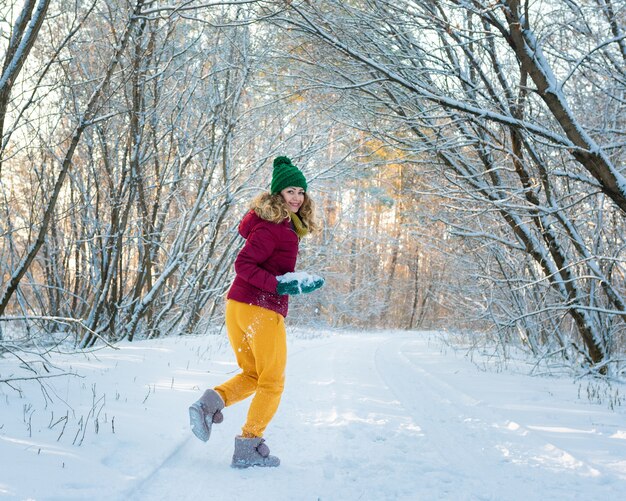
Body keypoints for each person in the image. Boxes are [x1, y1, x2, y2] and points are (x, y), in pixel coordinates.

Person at [189, 156, 324, 468]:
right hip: (260, 309)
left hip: (239, 306)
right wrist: (278, 287)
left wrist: (292, 282)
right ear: (277, 194)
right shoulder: (274, 227)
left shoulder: (277, 225)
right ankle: (250, 444)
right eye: (290, 191)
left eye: (301, 192)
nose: (296, 197)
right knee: (272, 381)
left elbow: (262, 267)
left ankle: (207, 406)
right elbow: (244, 264)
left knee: (253, 374)